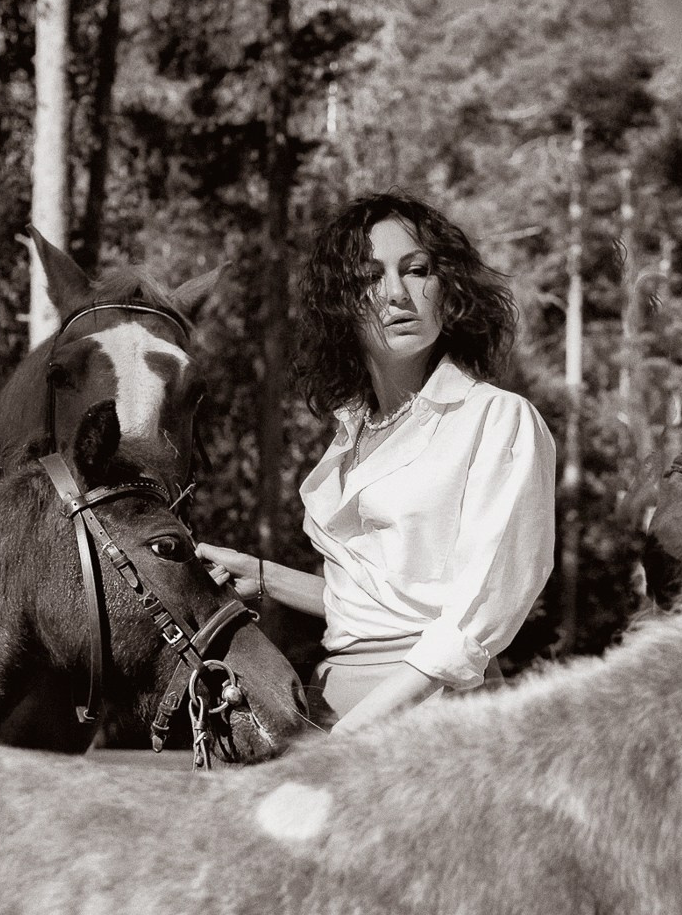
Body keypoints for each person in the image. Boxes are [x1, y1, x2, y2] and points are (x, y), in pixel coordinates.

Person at [199, 192, 555, 734]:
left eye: (417, 271)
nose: (396, 294)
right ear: (341, 305)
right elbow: (383, 605)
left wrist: (348, 736)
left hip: (433, 720)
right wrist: (266, 576)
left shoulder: (497, 420)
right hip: (327, 699)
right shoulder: (352, 431)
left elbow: (472, 621)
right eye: (369, 278)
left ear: (447, 288)